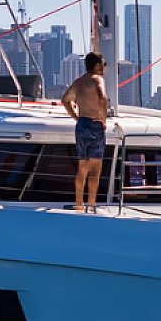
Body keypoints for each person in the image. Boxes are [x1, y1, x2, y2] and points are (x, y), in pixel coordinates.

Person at [60, 52, 108, 212]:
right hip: (95, 124)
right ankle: (91, 204)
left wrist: (75, 116)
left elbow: (65, 99)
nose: (104, 68)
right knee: (95, 168)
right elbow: (102, 97)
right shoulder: (97, 79)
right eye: (103, 64)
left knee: (82, 167)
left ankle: (79, 204)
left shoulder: (79, 82)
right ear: (97, 65)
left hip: (82, 124)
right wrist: (103, 119)